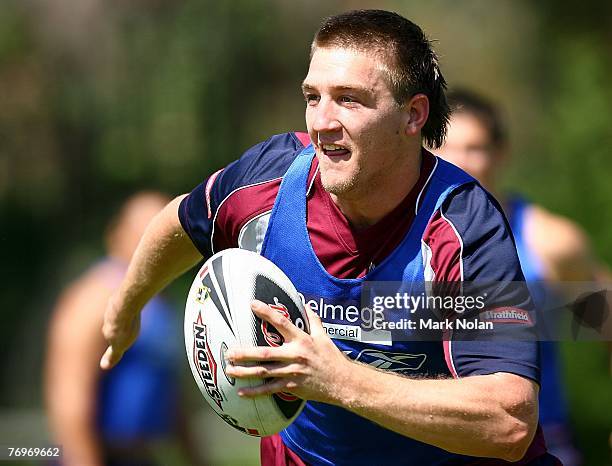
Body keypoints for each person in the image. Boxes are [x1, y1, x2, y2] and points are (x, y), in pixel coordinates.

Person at [100, 10, 560, 465]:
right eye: (312, 96)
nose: (322, 121)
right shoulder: (270, 180)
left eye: (349, 99)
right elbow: (181, 222)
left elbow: (509, 422)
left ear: (413, 115)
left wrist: (336, 379)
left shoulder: (462, 224)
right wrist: (127, 305)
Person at [436, 88, 610, 466]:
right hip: (432, 444)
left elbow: (606, 327)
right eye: (445, 147)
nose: (460, 162)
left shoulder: (550, 243)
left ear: (501, 153)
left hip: (535, 446)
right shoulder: (400, 241)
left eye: (475, 148)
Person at [46, 192, 202, 466]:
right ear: (115, 235)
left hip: (140, 456)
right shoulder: (93, 298)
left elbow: (170, 395)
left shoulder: (164, 305)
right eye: (142, 233)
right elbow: (69, 398)